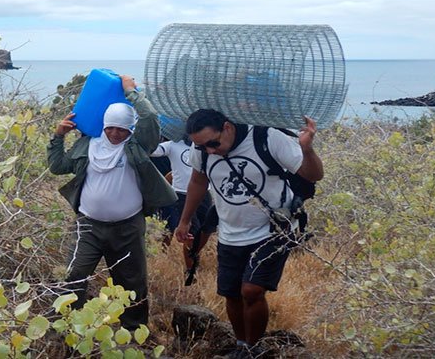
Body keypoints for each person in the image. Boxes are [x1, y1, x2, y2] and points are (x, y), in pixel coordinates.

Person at [175, 109, 323, 357]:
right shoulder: (201, 150)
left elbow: (314, 175)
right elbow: (198, 182)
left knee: (251, 290)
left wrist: (306, 149)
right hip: (231, 231)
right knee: (230, 293)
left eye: (213, 143)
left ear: (228, 127)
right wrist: (185, 221)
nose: (210, 151)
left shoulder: (267, 138)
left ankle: (253, 348)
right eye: (202, 146)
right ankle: (242, 346)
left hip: (275, 229)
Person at [47, 75, 177, 330]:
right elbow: (57, 166)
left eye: (122, 129)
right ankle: (66, 327)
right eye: (111, 128)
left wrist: (131, 93)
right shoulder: (88, 145)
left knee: (132, 282)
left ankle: (134, 332)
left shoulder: (137, 146)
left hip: (127, 227)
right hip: (88, 227)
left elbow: (150, 119)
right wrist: (58, 137)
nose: (116, 133)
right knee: (73, 275)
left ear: (130, 129)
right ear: (104, 126)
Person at [150, 136, 217, 278]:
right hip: (181, 195)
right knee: (190, 232)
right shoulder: (172, 145)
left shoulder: (206, 144)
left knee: (205, 230)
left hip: (204, 193)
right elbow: (152, 151)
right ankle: (190, 271)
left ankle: (194, 261)